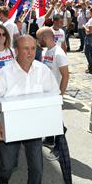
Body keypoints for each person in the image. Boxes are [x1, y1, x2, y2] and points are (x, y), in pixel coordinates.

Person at [0, 35, 59, 184]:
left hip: (34, 129)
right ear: (16, 51)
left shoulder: (43, 71)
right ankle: (4, 178)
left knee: (37, 169)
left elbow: (54, 98)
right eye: (25, 48)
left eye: (33, 48)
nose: (30, 53)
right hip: (10, 129)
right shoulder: (3, 74)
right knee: (9, 165)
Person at [36, 27, 69, 159]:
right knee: (49, 118)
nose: (39, 42)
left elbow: (65, 76)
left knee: (56, 122)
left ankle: (60, 148)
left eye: (39, 39)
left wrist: (60, 96)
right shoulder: (47, 51)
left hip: (55, 94)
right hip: (47, 92)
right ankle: (50, 140)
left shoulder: (59, 53)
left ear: (45, 38)